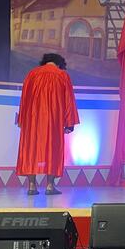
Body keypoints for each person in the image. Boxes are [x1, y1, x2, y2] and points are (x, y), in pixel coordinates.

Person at [16, 53, 79, 196]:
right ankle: (50, 186)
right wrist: (69, 123)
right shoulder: (62, 75)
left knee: (31, 150)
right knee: (53, 149)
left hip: (32, 120)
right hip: (53, 120)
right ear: (59, 64)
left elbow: (24, 99)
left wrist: (21, 120)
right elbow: (69, 100)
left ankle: (32, 186)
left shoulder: (32, 74)